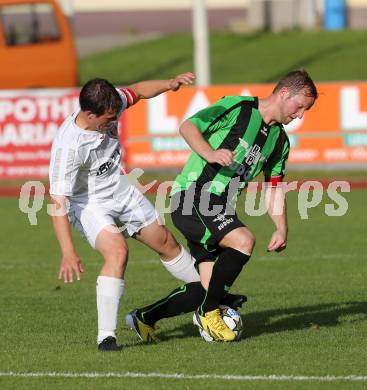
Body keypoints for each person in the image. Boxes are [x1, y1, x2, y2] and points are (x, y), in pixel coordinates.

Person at [126, 69, 318, 342]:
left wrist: (281, 228)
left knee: (207, 287)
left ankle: (144, 318)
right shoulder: (238, 107)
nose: (300, 115)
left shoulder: (280, 142)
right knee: (243, 240)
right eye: (300, 107)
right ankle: (209, 313)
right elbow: (188, 126)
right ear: (284, 93)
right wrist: (210, 153)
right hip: (193, 197)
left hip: (219, 208)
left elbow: (274, 187)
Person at [49, 73, 206, 351]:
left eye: (115, 116)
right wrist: (67, 252)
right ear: (89, 114)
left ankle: (209, 299)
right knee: (118, 252)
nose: (113, 122)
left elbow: (139, 90)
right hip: (88, 203)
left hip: (121, 189)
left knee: (165, 242)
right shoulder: (68, 147)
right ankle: (106, 336)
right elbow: (58, 201)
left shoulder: (111, 103)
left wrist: (169, 84)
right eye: (108, 119)